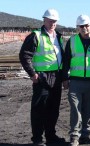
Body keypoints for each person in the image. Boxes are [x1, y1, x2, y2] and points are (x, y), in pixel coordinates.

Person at [19, 9, 65, 146]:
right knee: (39, 109)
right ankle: (37, 139)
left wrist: (64, 77)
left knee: (53, 108)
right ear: (44, 20)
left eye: (55, 21)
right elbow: (24, 55)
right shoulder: (36, 36)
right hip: (42, 78)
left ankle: (51, 136)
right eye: (50, 21)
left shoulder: (59, 37)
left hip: (56, 78)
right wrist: (32, 74)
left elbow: (62, 58)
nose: (52, 23)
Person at [62, 14, 90, 146]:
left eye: (86, 25)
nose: (84, 28)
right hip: (76, 82)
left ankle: (85, 135)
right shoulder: (72, 41)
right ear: (77, 28)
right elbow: (66, 61)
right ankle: (74, 136)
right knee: (76, 110)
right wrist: (65, 78)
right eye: (81, 26)